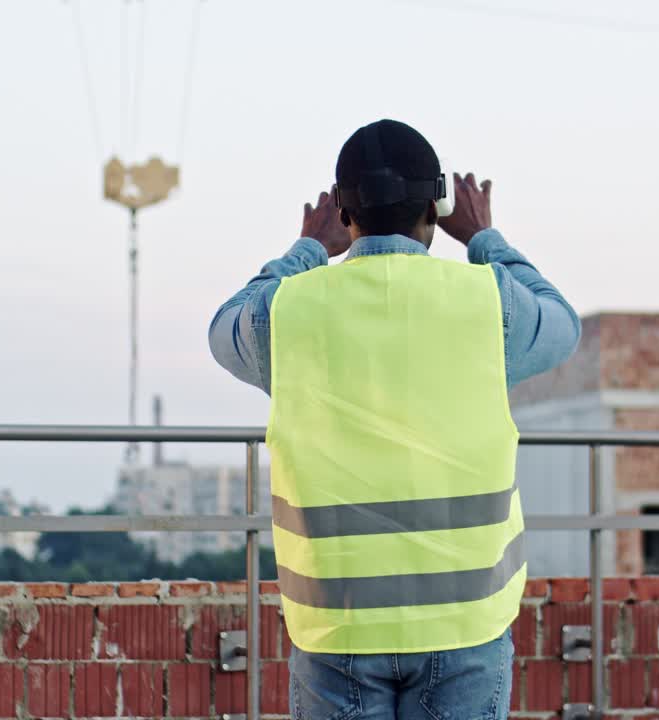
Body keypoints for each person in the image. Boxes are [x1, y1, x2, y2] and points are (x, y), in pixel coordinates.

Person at [208, 119, 580, 719]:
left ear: (343, 215)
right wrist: (484, 237)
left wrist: (307, 249)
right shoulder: (491, 303)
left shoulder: (288, 311)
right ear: (436, 206)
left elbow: (224, 329)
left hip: (338, 624)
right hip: (466, 619)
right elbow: (562, 323)